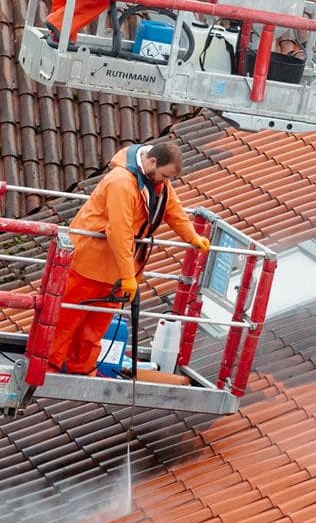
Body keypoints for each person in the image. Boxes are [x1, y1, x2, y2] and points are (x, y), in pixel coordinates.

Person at [48, 138, 209, 377]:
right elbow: (119, 231)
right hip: (89, 263)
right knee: (66, 320)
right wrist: (127, 276)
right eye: (165, 176)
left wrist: (192, 237)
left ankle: (82, 369)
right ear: (152, 161)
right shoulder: (122, 183)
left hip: (115, 270)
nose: (166, 182)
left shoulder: (155, 179)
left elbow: (172, 209)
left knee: (95, 327)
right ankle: (47, 367)